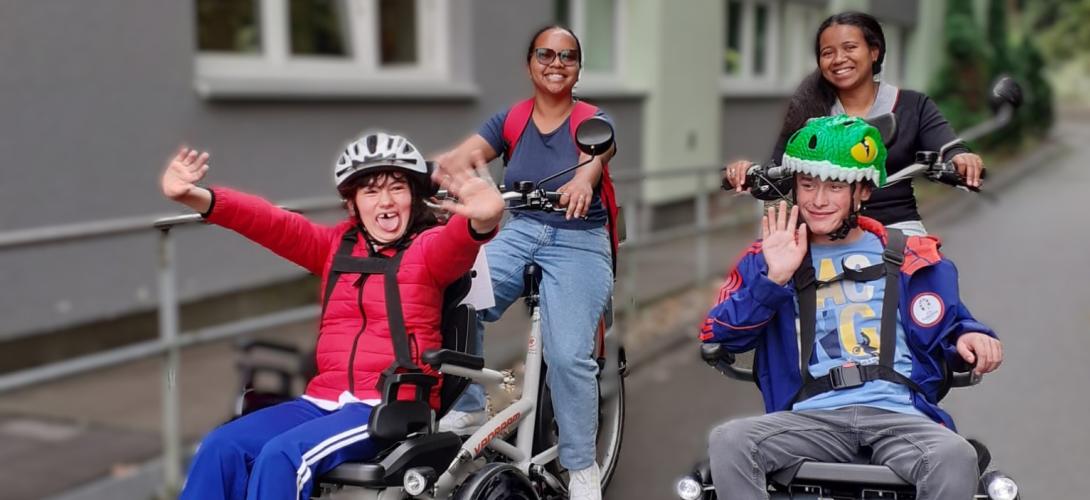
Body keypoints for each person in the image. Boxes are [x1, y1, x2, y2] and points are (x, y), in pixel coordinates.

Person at [161, 132, 503, 500]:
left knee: (284, 458)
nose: (385, 201)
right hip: (321, 400)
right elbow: (270, 221)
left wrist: (484, 219)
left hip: (388, 404)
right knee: (221, 446)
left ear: (413, 197)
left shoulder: (426, 250)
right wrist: (193, 196)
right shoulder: (334, 247)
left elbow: (459, 241)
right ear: (353, 203)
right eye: (371, 191)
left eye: (397, 188)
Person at [700, 115, 1003, 499]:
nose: (818, 199)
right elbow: (717, 333)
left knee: (956, 455)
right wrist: (773, 279)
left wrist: (973, 335)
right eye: (807, 185)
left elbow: (950, 322)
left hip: (900, 415)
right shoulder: (769, 256)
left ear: (862, 192)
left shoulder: (912, 255)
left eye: (834, 187)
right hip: (812, 415)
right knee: (730, 441)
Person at [434, 25, 617, 500]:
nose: (557, 63)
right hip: (518, 231)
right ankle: (471, 403)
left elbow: (595, 154)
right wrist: (438, 174)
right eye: (546, 54)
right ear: (530, 63)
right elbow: (466, 156)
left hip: (578, 239)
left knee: (568, 356)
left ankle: (581, 467)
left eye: (568, 56)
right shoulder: (511, 118)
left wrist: (582, 181)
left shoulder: (591, 117)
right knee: (459, 292)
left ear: (578, 68)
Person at [724, 11, 984, 236]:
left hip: (897, 227)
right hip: (823, 230)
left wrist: (962, 158)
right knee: (775, 283)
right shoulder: (808, 109)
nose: (838, 59)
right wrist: (746, 172)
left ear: (874, 51)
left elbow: (948, 146)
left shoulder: (913, 105)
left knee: (932, 283)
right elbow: (779, 171)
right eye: (828, 52)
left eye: (850, 48)